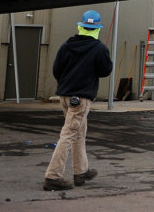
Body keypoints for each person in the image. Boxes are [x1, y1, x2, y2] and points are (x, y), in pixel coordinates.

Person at [42, 10, 113, 191]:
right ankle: (53, 177)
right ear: (97, 28)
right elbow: (105, 71)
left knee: (78, 132)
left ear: (80, 26)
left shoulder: (67, 45)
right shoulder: (99, 48)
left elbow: (57, 69)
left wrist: (67, 85)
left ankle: (81, 172)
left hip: (65, 96)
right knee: (69, 135)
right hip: (81, 99)